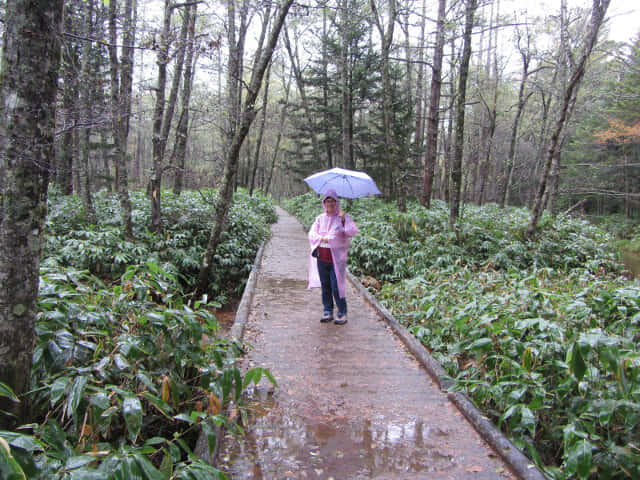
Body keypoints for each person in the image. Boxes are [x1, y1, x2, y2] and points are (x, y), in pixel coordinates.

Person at [308, 189, 359, 325]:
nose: (330, 204)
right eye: (327, 201)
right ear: (324, 203)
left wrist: (343, 222)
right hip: (322, 257)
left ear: (336, 202)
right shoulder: (320, 218)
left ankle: (342, 312)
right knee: (325, 285)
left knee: (337, 286)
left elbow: (351, 231)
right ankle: (327, 310)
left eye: (332, 201)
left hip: (337, 259)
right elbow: (312, 233)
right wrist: (323, 238)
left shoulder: (343, 217)